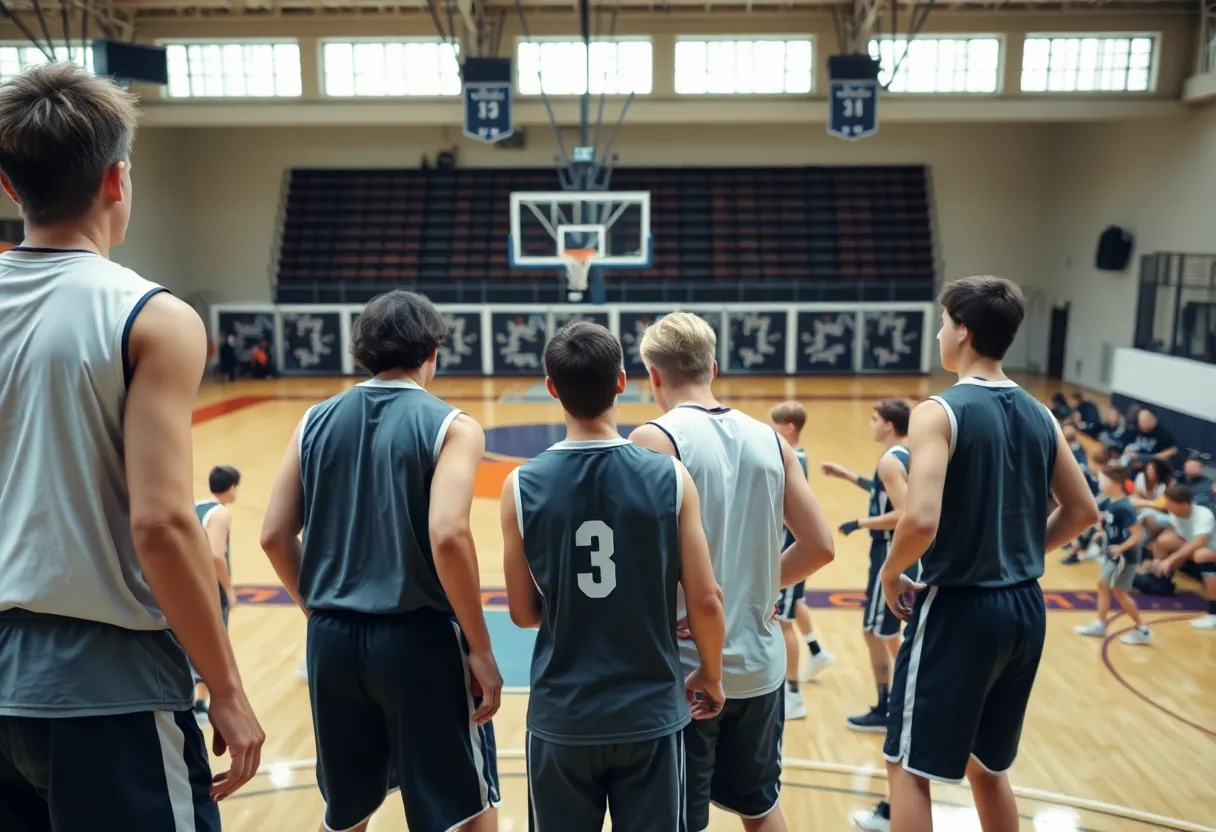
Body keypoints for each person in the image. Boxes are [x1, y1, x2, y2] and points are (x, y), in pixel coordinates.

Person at [0, 64, 263, 830]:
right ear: (117, 181)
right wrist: (229, 687)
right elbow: (158, 522)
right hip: (109, 693)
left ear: (11, 185)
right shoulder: (152, 317)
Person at [260, 289, 502, 832]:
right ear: (432, 351)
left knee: (346, 811)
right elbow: (448, 534)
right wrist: (481, 649)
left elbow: (274, 535)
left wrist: (318, 610)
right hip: (418, 642)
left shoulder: (313, 420)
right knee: (463, 808)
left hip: (331, 640)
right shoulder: (453, 426)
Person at [878, 276, 1099, 832]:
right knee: (988, 767)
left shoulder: (938, 411)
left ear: (964, 331)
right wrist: (1018, 550)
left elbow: (921, 519)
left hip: (960, 610)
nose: (936, 334)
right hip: (1025, 608)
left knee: (905, 767)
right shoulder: (1041, 413)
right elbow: (1081, 512)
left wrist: (891, 570)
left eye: (942, 323)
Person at [502, 321, 727, 831]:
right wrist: (710, 674)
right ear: (623, 381)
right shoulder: (670, 476)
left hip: (563, 716)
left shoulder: (520, 486)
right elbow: (706, 600)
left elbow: (520, 613)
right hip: (648, 713)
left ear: (552, 387)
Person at [628, 312, 836, 832]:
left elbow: (638, 565)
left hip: (685, 669)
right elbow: (821, 547)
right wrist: (761, 587)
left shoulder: (654, 439)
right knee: (760, 808)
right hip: (760, 667)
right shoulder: (772, 440)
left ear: (653, 374)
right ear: (713, 367)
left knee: (677, 819)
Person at [820, 398, 915, 735]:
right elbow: (887, 491)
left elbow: (904, 512)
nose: (870, 424)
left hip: (891, 556)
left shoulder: (890, 461)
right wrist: (848, 476)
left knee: (875, 631)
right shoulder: (907, 454)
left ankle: (888, 708)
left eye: (874, 419)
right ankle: (907, 698)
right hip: (906, 556)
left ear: (889, 424)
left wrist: (860, 522)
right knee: (890, 632)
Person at [770, 401, 835, 718]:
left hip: (791, 547)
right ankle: (816, 649)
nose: (772, 429)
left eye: (776, 424)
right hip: (791, 545)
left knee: (783, 623)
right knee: (793, 604)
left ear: (789, 428)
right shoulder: (799, 454)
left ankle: (793, 694)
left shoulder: (791, 457)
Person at [1074, 464, 1152, 644]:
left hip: (1125, 557)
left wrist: (1120, 548)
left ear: (1115, 483)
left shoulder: (1124, 507)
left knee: (1118, 592)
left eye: (1103, 480)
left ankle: (1142, 629)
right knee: (1103, 585)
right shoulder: (1110, 502)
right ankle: (1100, 625)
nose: (1100, 483)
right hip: (1114, 555)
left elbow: (1137, 535)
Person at [192, 465, 242, 722]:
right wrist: (229, 590)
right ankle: (200, 704)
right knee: (213, 647)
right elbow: (215, 555)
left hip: (190, 586)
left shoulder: (196, 505)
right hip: (211, 590)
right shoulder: (220, 513)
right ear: (232, 487)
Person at [1147, 484, 1216, 631]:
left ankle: (1213, 614)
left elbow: (1197, 543)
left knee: (1200, 555)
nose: (1167, 507)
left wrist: (1171, 560)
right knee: (1164, 540)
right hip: (1196, 547)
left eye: (1170, 503)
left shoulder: (1204, 515)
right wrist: (1158, 560)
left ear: (1183, 504)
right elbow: (1179, 537)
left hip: (1209, 550)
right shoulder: (1175, 515)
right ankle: (1160, 580)